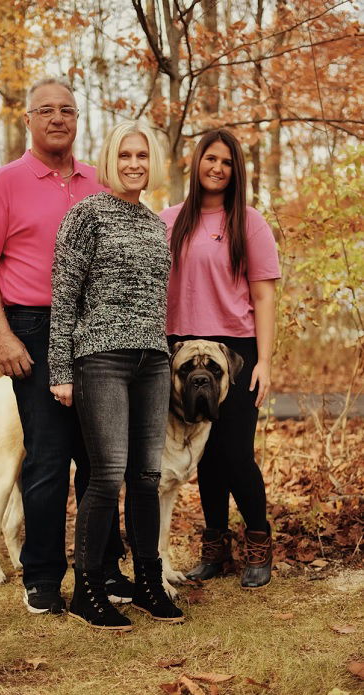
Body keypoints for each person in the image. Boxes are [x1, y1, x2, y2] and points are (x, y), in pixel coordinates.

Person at [0, 77, 130, 614]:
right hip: (32, 327)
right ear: (28, 119)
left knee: (102, 458)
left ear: (77, 120)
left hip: (96, 326)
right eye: (47, 110)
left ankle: (103, 569)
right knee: (50, 458)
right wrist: (2, 334)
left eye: (68, 110)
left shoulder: (99, 183)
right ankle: (40, 576)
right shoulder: (2, 184)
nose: (58, 119)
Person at [48, 121, 184, 631]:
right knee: (106, 476)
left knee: (146, 476)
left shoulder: (154, 224)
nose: (134, 164)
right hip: (100, 358)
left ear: (153, 163)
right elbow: (65, 297)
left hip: (152, 360)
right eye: (125, 154)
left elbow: (156, 301)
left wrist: (165, 355)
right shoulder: (87, 215)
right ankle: (87, 589)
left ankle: (148, 581)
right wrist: (61, 369)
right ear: (110, 159)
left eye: (142, 156)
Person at [161, 128, 280, 589]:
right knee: (203, 456)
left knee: (233, 452)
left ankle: (258, 541)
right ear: (196, 164)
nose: (217, 168)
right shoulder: (168, 220)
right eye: (210, 159)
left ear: (237, 171)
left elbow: (264, 297)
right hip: (179, 351)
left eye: (227, 162)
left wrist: (264, 361)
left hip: (235, 351)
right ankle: (214, 548)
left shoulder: (249, 223)